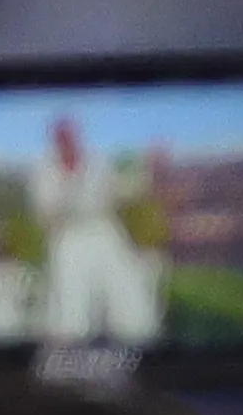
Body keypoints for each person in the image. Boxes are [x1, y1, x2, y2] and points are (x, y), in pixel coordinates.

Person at [38, 117, 172, 348]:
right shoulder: (44, 170)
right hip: (70, 241)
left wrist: (150, 166)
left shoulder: (98, 162)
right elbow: (46, 211)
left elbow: (126, 189)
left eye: (71, 136)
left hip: (106, 235)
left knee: (130, 301)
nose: (67, 141)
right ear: (55, 141)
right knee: (72, 312)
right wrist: (71, 189)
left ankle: (140, 352)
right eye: (62, 137)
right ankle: (73, 364)